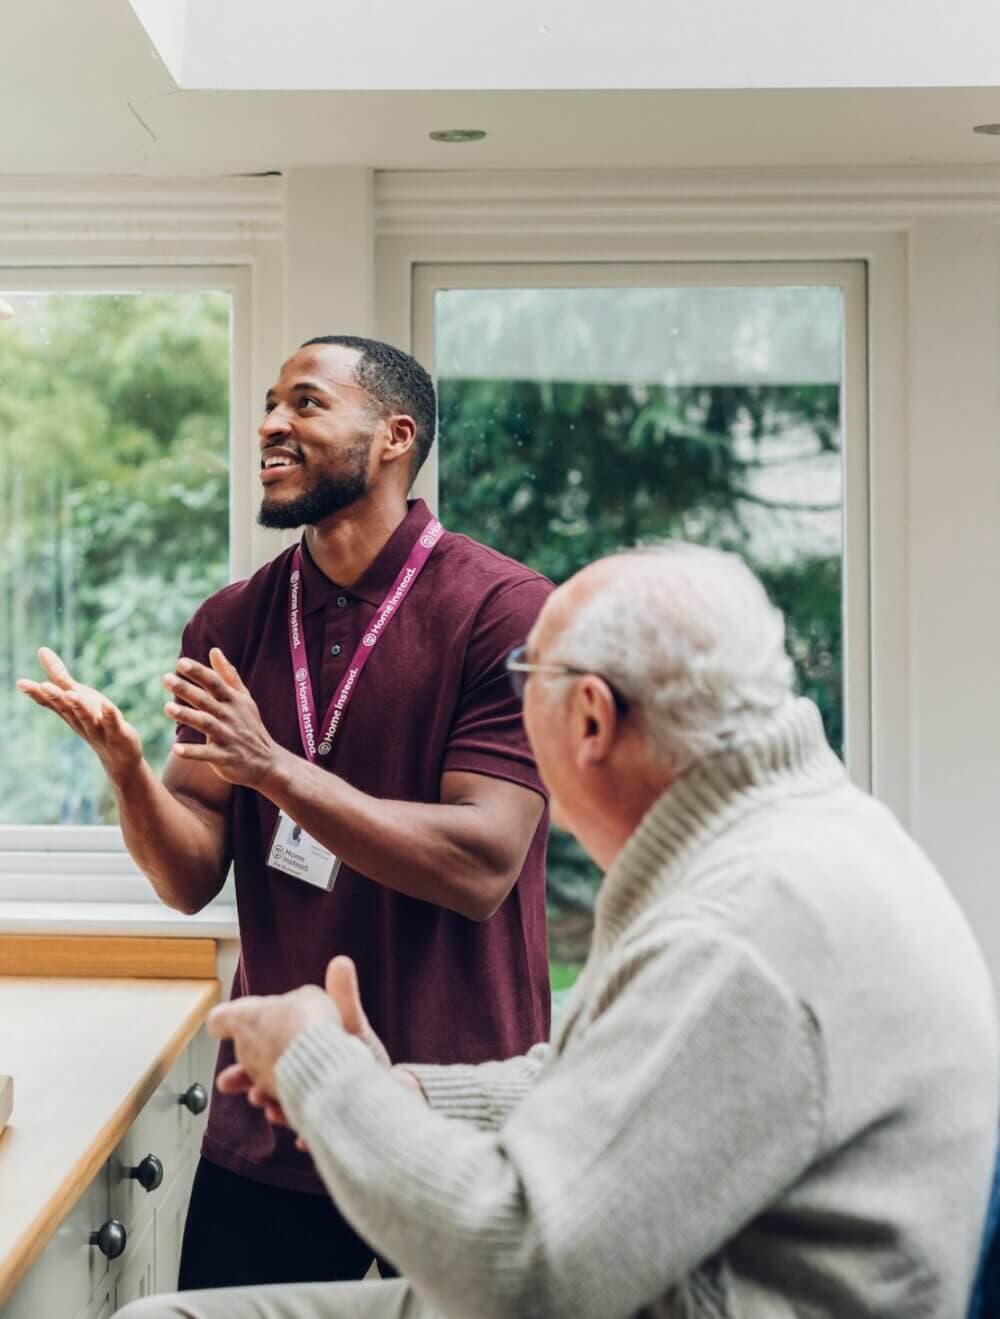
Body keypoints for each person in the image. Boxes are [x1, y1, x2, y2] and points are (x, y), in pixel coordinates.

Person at [121, 542, 998, 1319]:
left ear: (588, 718)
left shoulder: (737, 929)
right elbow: (637, 1078)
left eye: (520, 681)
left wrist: (322, 1069)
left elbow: (520, 1272)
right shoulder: (803, 836)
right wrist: (414, 1094)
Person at [17, 336, 553, 1288]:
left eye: (305, 404)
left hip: (452, 1124)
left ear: (394, 436)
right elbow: (188, 877)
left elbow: (481, 865)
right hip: (271, 1127)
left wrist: (273, 767)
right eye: (269, 404)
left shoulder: (505, 610)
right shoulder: (231, 622)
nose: (270, 423)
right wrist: (132, 774)